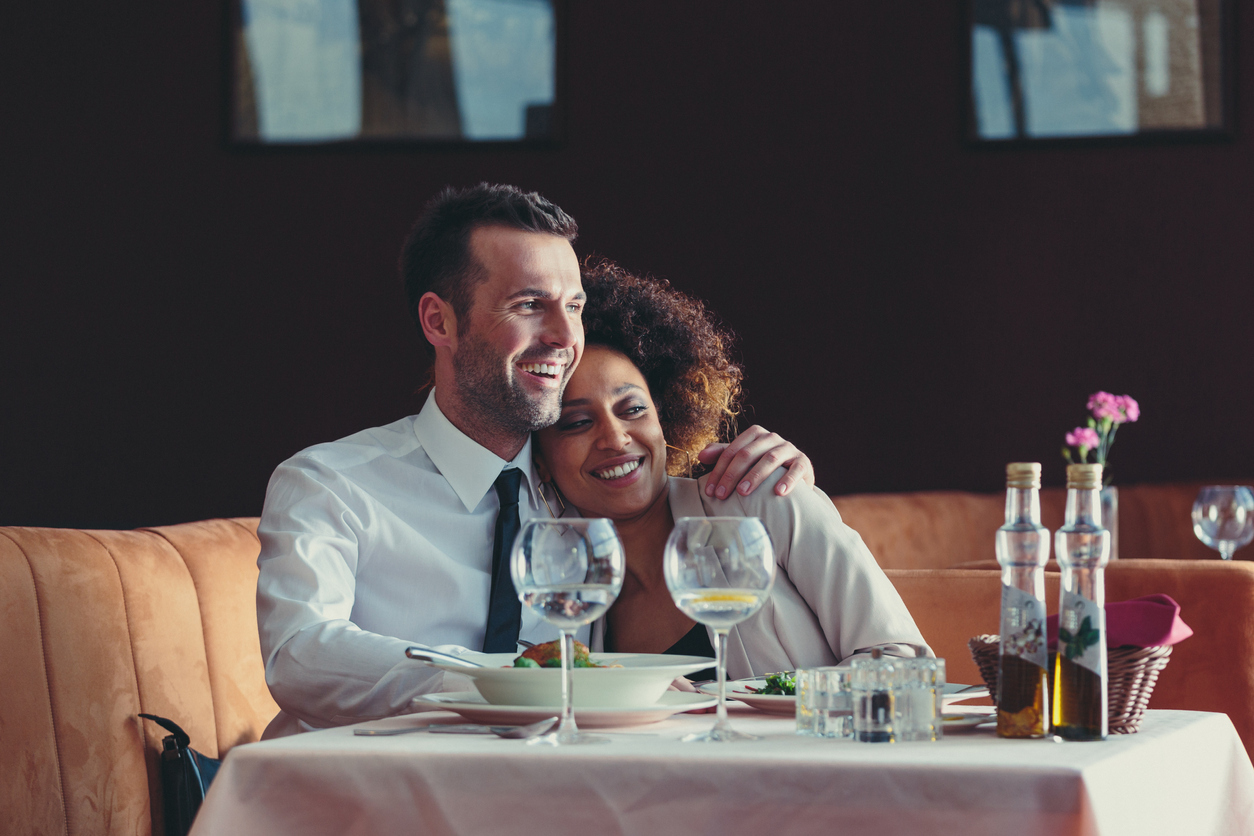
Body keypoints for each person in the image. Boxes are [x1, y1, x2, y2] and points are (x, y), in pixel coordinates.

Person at [256, 184, 816, 736]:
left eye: (574, 306)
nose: (565, 336)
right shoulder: (330, 484)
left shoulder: (583, 488)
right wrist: (509, 685)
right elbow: (300, 655)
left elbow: (674, 499)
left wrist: (787, 479)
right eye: (528, 305)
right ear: (439, 322)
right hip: (364, 799)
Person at [533, 260, 930, 677]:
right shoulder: (562, 584)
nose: (615, 438)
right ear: (539, 460)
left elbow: (904, 664)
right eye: (577, 423)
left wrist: (742, 704)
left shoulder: (760, 496)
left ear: (663, 418)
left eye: (632, 409)